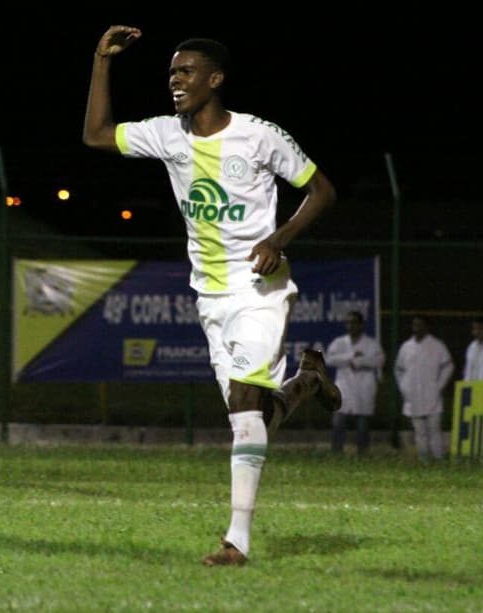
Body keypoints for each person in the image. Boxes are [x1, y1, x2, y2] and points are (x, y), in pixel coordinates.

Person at [83, 26, 339, 566]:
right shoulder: (168, 134)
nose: (175, 81)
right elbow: (98, 135)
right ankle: (307, 382)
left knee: (245, 408)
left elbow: (321, 191)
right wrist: (102, 61)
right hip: (209, 297)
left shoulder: (260, 136)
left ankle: (236, 542)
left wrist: (277, 238)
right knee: (253, 417)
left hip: (259, 289)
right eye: (172, 73)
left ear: (214, 80)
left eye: (186, 72)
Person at [394, 315, 453, 461]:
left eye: (420, 325)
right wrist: (404, 387)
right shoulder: (406, 346)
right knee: (419, 431)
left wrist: (439, 386)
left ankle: (438, 459)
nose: (417, 328)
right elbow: (398, 369)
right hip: (413, 396)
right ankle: (424, 460)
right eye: (414, 325)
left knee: (434, 429)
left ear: (427, 327)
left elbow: (448, 366)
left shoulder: (437, 345)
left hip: (432, 395)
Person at [325, 311, 384, 455]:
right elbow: (328, 359)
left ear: (361, 324)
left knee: (363, 427)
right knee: (338, 423)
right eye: (348, 322)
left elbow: (379, 360)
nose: (351, 326)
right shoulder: (340, 342)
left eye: (354, 322)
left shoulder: (371, 344)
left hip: (364, 389)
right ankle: (336, 455)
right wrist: (350, 357)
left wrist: (360, 362)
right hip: (344, 388)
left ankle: (362, 457)